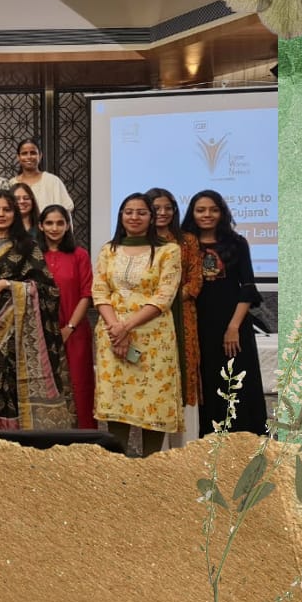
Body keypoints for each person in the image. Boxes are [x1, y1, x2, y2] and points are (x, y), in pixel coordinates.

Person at [0, 191, 72, 430]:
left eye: (7, 209)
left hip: (17, 334)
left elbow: (49, 291)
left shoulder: (28, 246)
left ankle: (16, 442)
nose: (1, 214)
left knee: (12, 385)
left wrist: (7, 284)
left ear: (15, 213)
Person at [92, 193, 183, 456]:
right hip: (112, 335)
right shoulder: (108, 250)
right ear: (121, 216)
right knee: (116, 400)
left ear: (151, 217)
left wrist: (126, 327)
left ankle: (151, 467)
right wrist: (116, 329)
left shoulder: (169, 251)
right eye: (129, 212)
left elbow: (164, 296)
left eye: (141, 212)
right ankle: (118, 467)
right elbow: (100, 291)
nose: (134, 217)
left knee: (154, 401)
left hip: (153, 337)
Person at [182, 190, 267, 436]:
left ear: (222, 213)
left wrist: (233, 327)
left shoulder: (237, 243)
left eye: (213, 210)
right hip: (198, 324)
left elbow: (248, 288)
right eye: (200, 210)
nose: (207, 215)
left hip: (233, 324)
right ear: (192, 213)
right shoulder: (185, 245)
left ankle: (243, 441)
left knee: (237, 383)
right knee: (207, 382)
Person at [147, 186, 204, 440]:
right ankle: (157, 446)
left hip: (183, 315)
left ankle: (185, 443)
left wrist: (166, 298)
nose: (162, 212)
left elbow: (195, 281)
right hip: (148, 317)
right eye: (156, 208)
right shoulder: (140, 241)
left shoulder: (187, 240)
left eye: (168, 208)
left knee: (185, 368)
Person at [39, 205, 96, 429]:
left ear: (67, 226)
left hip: (74, 331)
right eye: (49, 223)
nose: (54, 228)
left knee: (79, 386)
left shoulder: (79, 255)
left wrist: (69, 327)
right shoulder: (34, 255)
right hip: (41, 331)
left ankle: (84, 440)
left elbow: (86, 294)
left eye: (60, 223)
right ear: (40, 226)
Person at [9, 137, 74, 215]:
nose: (29, 157)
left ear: (40, 156)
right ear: (18, 157)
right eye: (24, 153)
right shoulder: (12, 183)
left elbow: (65, 211)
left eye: (33, 153)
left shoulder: (52, 181)